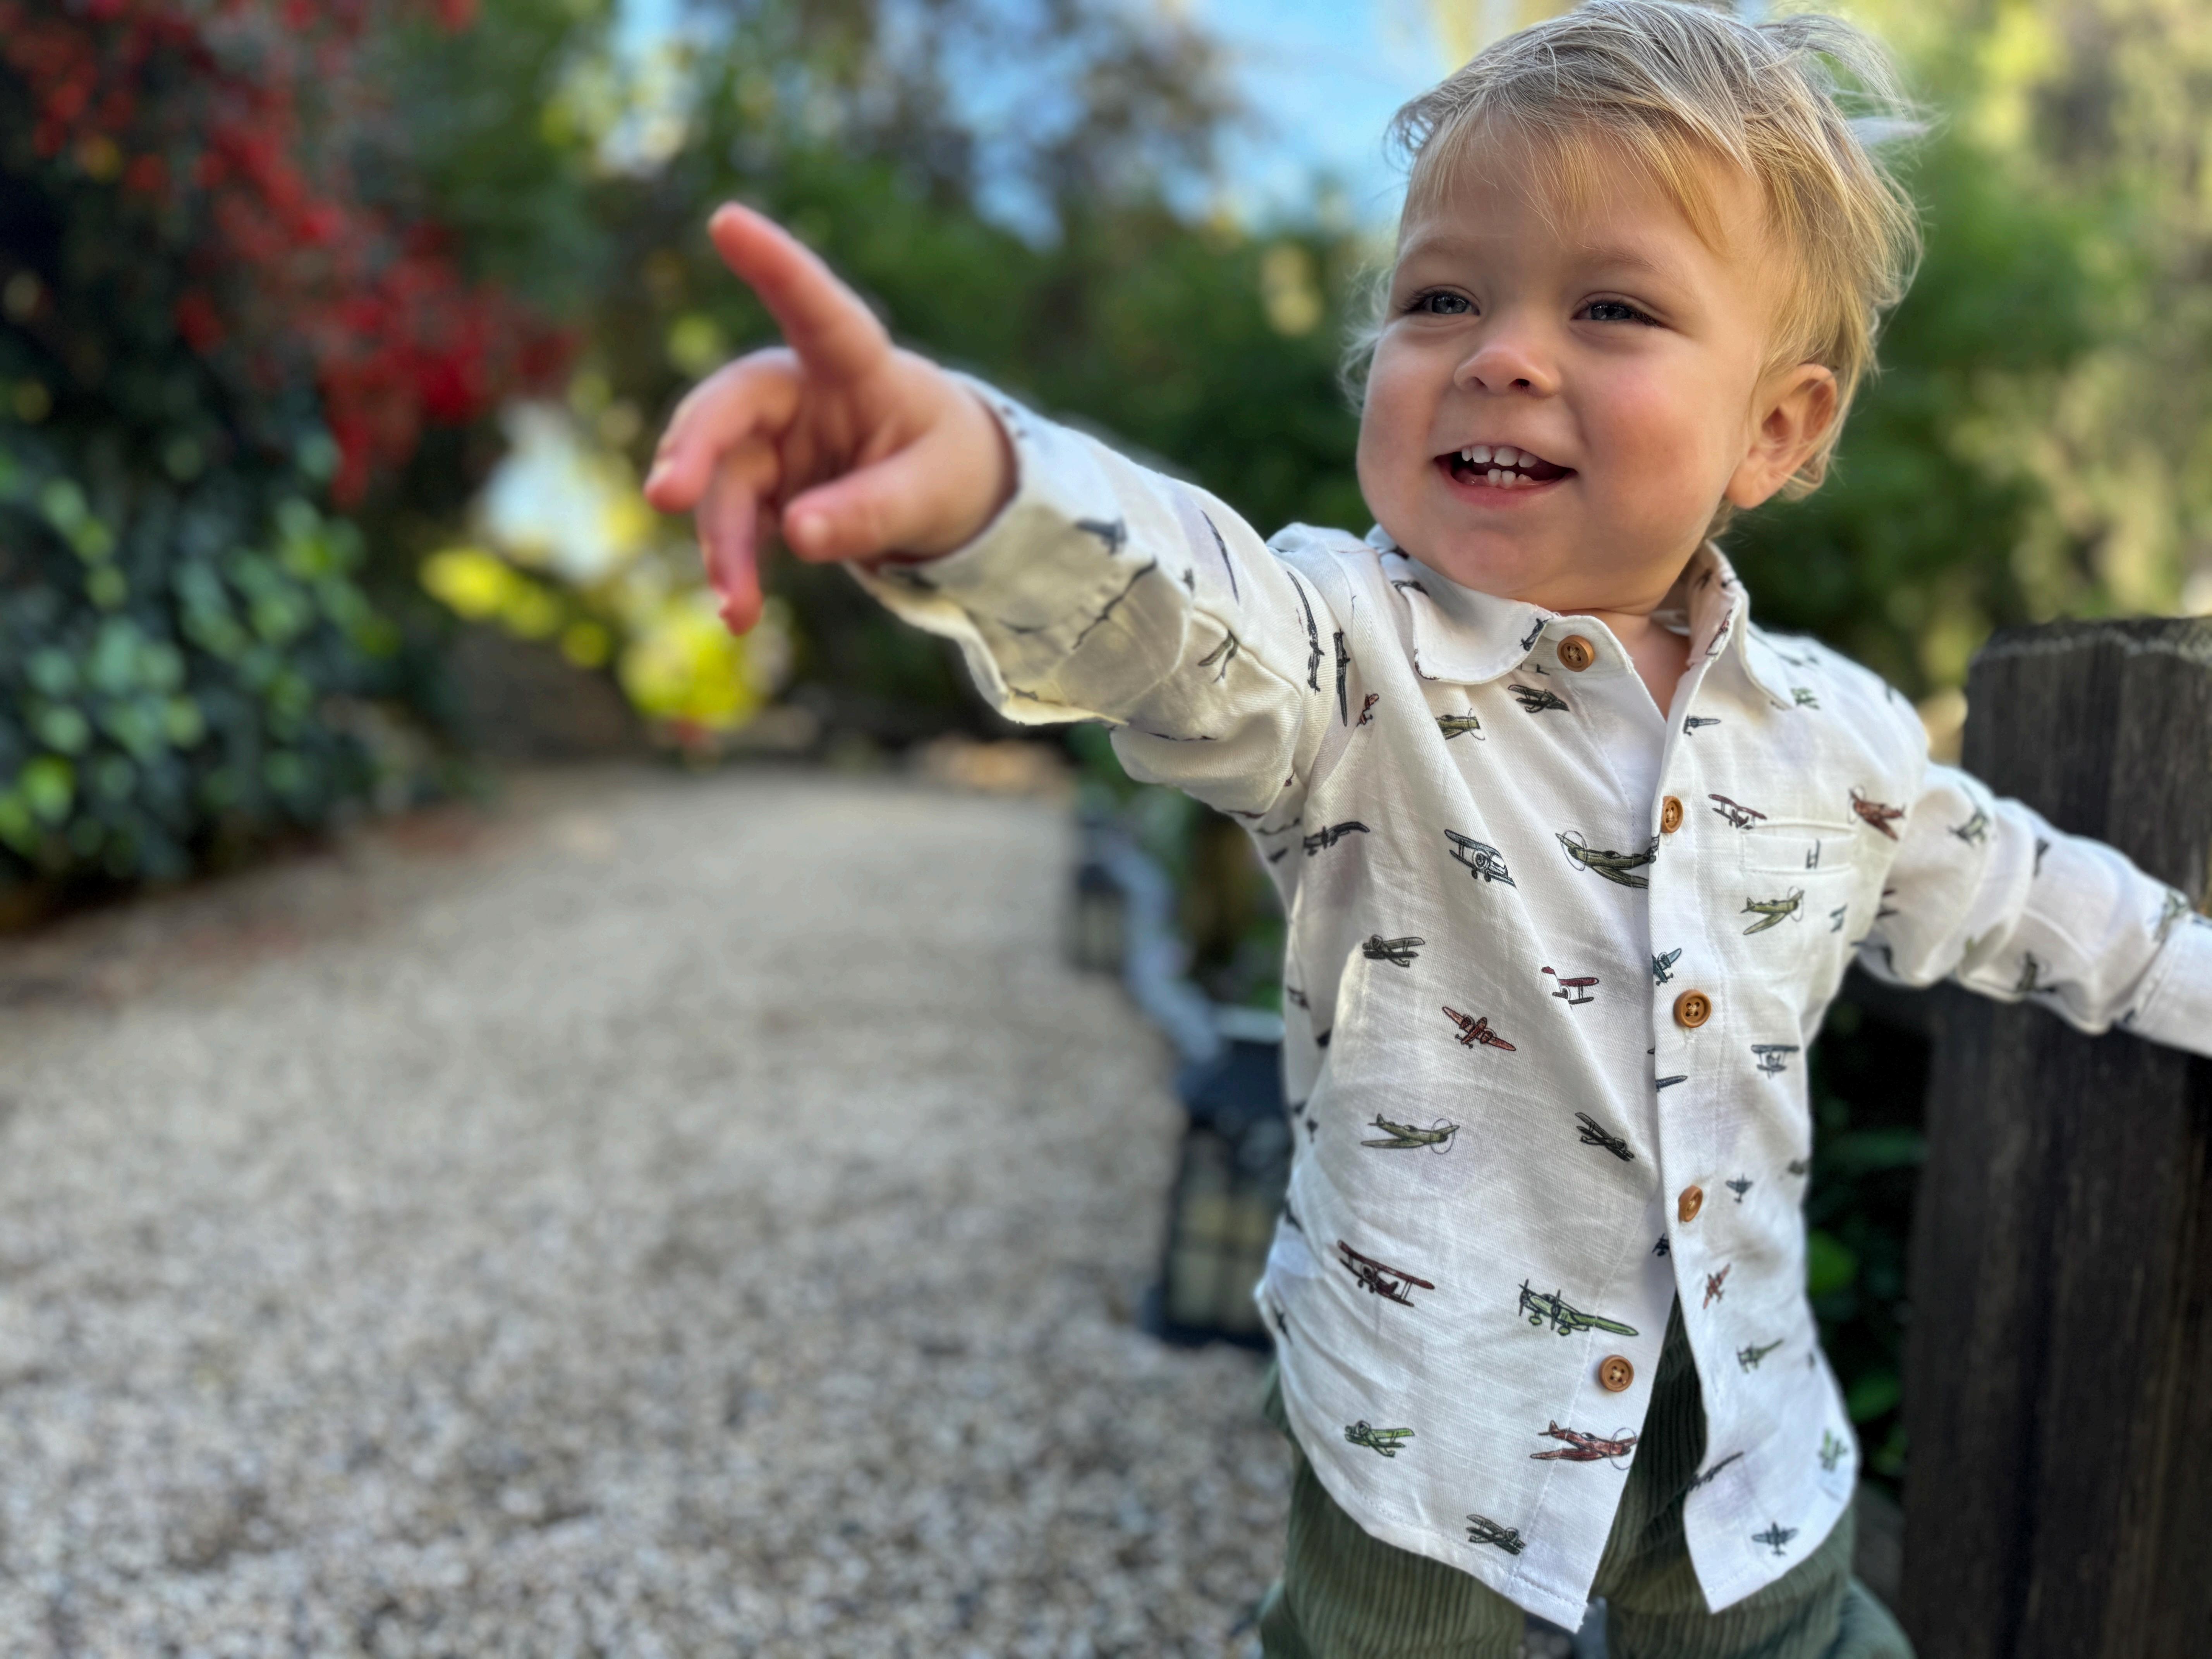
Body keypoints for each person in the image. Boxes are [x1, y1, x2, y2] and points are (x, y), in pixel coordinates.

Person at [643, 4, 2212, 1653]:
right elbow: (1176, 608)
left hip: (1742, 1428)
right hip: (1434, 1427)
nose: (1502, 353)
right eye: (1440, 298)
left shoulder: (1839, 735)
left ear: (1778, 428)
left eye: (1612, 307)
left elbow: (2035, 897)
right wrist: (982, 484)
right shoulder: (1345, 657)